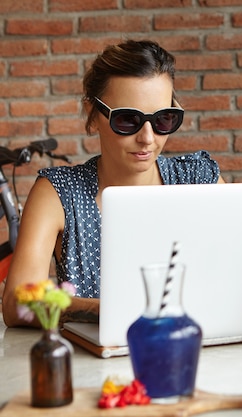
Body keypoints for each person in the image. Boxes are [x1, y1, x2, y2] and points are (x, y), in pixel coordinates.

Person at [2, 40, 224, 328]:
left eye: (164, 119)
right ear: (93, 115)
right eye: (128, 120)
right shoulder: (60, 193)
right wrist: (113, 312)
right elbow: (17, 302)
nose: (147, 138)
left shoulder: (199, 180)